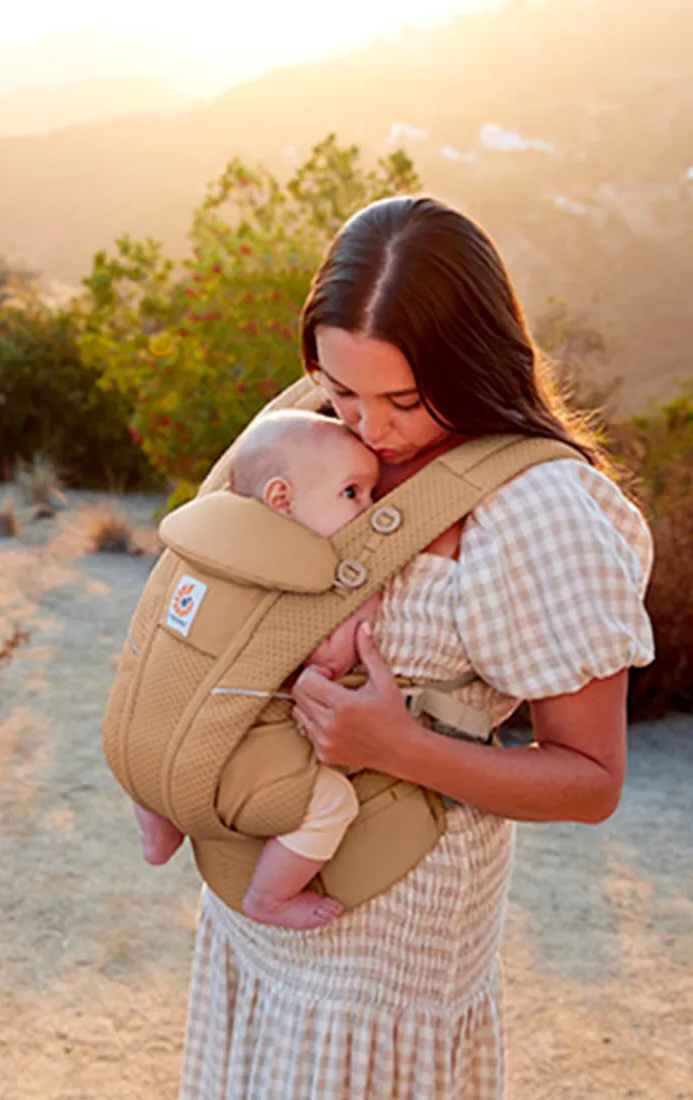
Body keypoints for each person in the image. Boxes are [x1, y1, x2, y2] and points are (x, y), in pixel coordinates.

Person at [179, 195, 654, 1100]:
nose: (370, 430)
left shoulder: (535, 509)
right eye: (342, 388)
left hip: (390, 944)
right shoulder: (312, 431)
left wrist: (399, 748)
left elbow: (593, 780)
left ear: (474, 359)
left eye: (403, 396)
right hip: (259, 895)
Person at [134, 409, 382, 930]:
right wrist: (366, 605)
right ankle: (270, 898)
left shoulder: (207, 548)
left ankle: (157, 828)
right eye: (353, 492)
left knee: (153, 745)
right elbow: (330, 659)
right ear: (282, 500)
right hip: (223, 754)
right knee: (332, 802)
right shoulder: (302, 573)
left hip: (145, 739)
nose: (371, 506)